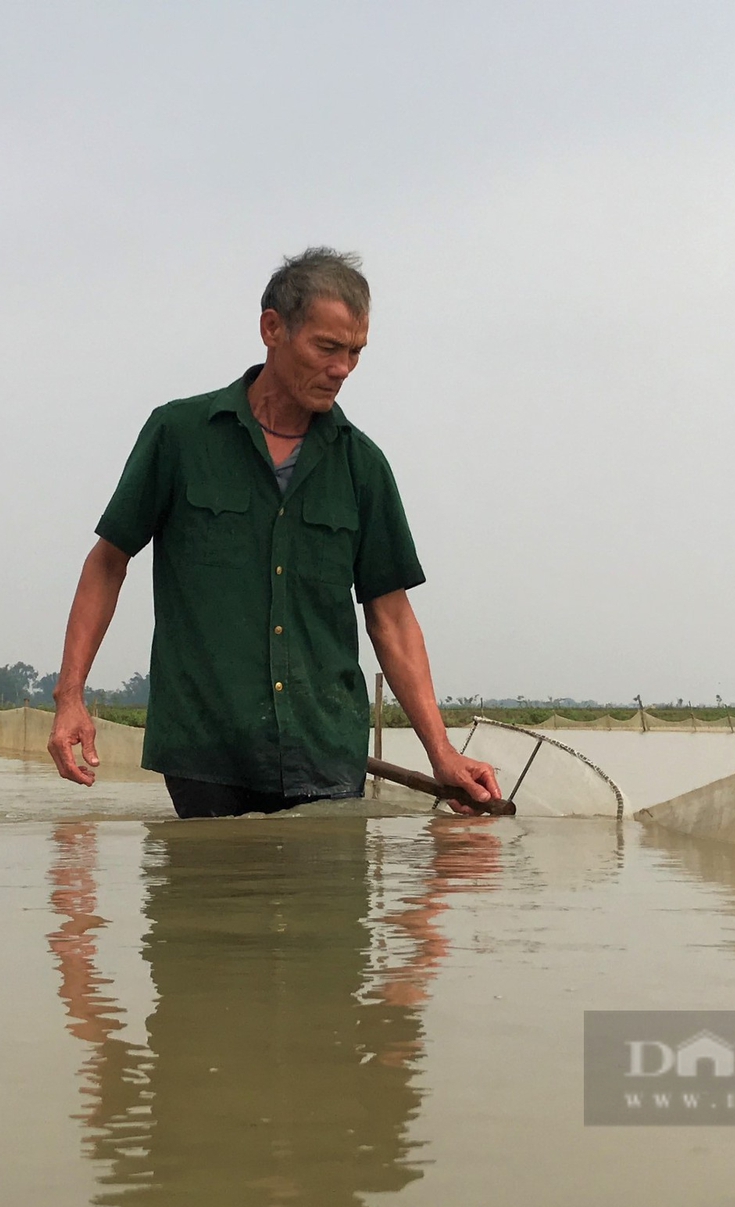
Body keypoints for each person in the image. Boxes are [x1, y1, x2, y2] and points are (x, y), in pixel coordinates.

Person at [46, 247, 501, 818]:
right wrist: (71, 697)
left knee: (328, 908)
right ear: (272, 328)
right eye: (327, 347)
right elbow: (108, 562)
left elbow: (391, 615)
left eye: (355, 353)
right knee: (212, 901)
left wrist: (441, 752)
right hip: (205, 750)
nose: (342, 368)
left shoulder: (363, 466)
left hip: (325, 752)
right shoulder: (180, 436)